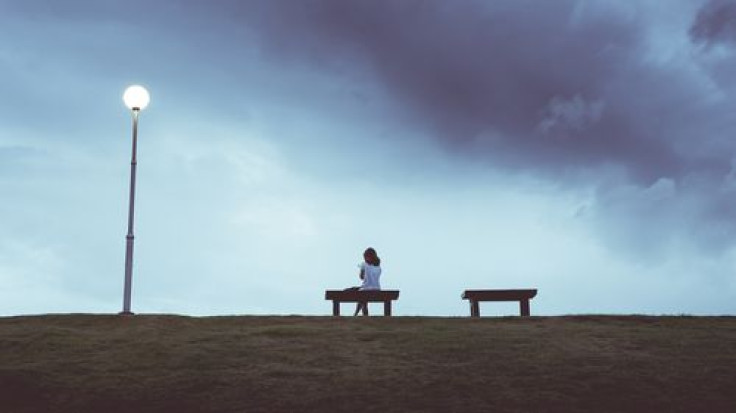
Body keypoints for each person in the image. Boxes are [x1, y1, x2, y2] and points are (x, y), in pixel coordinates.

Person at [352, 247, 382, 316]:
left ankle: (357, 314)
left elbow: (361, 277)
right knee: (361, 296)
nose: (364, 259)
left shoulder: (364, 264)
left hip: (366, 289)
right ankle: (356, 314)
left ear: (368, 257)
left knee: (361, 295)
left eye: (365, 257)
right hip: (377, 289)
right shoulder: (378, 267)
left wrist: (362, 270)